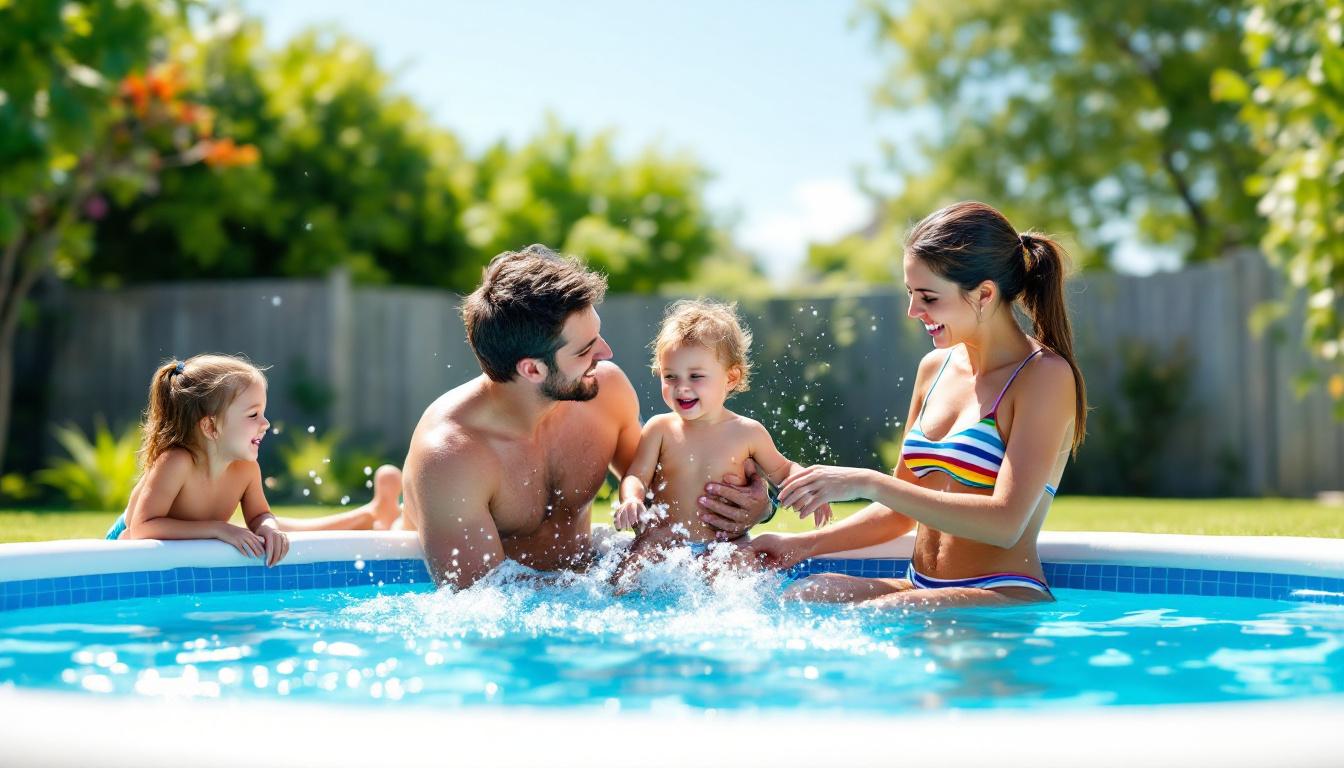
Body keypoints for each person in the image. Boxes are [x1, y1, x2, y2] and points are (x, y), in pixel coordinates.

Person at [748, 201, 1087, 608]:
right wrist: (801, 545)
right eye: (911, 294)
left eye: (928, 296)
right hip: (919, 588)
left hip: (1002, 592)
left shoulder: (1043, 376)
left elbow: (1006, 523)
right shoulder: (934, 368)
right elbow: (901, 512)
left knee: (891, 612)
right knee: (805, 594)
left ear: (983, 294)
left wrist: (867, 482)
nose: (913, 311)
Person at [401, 245, 773, 588]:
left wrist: (758, 507)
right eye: (586, 349)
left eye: (599, 336)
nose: (606, 353)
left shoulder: (605, 394)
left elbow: (667, 494)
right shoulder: (451, 456)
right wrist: (601, 590)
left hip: (586, 581)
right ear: (533, 370)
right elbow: (481, 595)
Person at [107, 354, 402, 563]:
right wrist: (219, 528)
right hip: (125, 542)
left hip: (192, 540)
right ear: (210, 427)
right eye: (253, 415)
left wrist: (268, 528)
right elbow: (144, 527)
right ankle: (371, 513)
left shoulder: (245, 469)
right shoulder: (177, 462)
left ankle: (369, 514)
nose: (266, 423)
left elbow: (260, 516)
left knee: (272, 533)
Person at [613, 299, 830, 576]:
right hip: (668, 542)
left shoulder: (747, 432)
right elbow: (636, 476)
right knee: (630, 568)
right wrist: (632, 499)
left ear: (730, 378)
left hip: (726, 545)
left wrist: (812, 490)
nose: (682, 388)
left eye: (695, 376)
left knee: (741, 563)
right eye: (670, 377)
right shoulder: (660, 429)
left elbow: (783, 470)